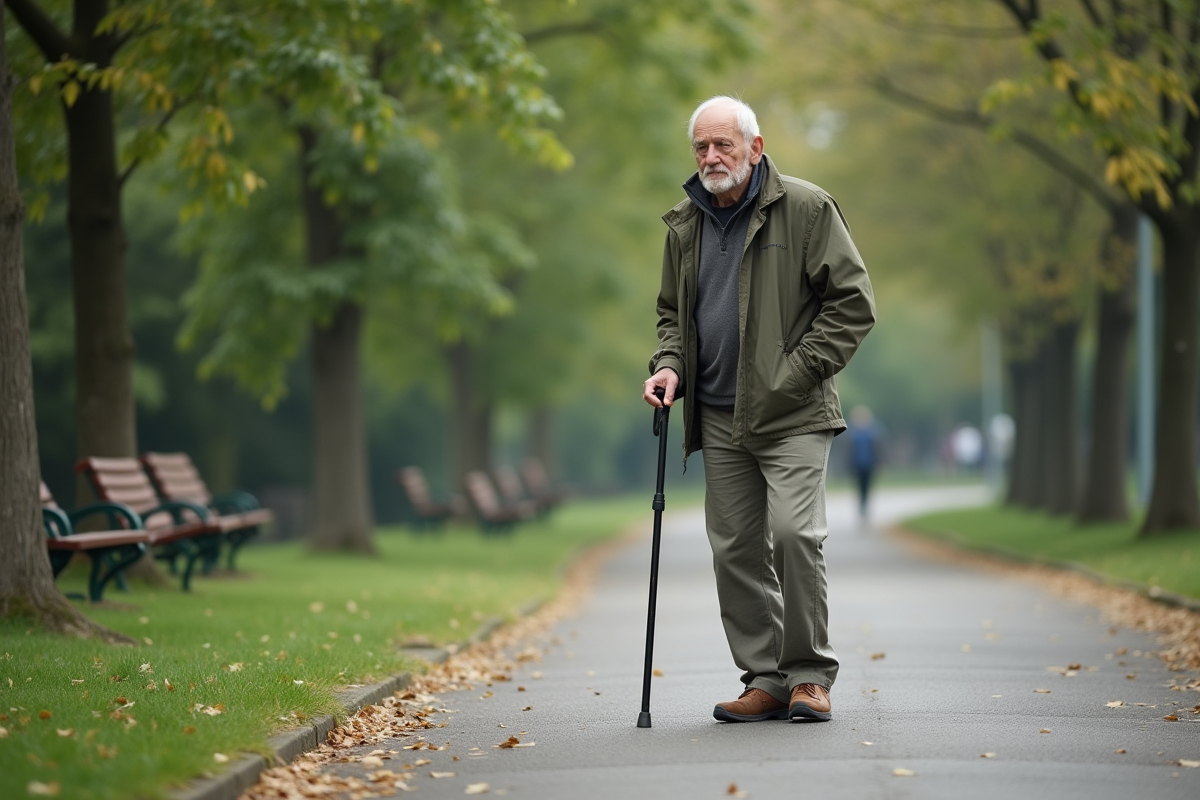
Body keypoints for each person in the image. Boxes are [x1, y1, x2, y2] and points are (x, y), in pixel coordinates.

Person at [642, 96, 875, 723]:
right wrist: (668, 365)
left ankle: (810, 676)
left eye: (724, 145)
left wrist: (793, 373)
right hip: (718, 416)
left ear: (756, 146)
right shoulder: (685, 224)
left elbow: (852, 304)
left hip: (793, 412)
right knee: (735, 551)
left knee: (794, 535)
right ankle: (768, 678)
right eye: (702, 147)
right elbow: (672, 313)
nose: (712, 157)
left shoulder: (804, 208)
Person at [848, 406, 883, 518]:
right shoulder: (851, 431)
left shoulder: (874, 430)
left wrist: (881, 463)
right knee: (859, 487)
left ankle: (865, 506)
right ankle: (862, 507)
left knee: (867, 487)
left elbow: (880, 449)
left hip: (870, 464)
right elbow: (846, 450)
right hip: (857, 465)